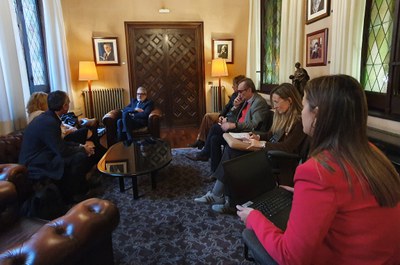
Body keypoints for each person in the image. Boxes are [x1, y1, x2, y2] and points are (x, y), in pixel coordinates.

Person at [237, 75, 400, 264]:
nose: (301, 112)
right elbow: (350, 199)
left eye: (304, 104)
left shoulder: (317, 172)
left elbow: (290, 257)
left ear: (317, 114)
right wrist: (305, 195)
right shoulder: (374, 154)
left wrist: (255, 218)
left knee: (251, 232)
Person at [194, 83, 306, 212]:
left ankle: (221, 197)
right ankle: (220, 196)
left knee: (233, 154)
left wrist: (262, 144)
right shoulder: (283, 115)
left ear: (289, 100)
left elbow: (287, 148)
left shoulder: (299, 121)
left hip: (279, 160)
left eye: (276, 102)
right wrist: (257, 136)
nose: (274, 106)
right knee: (231, 151)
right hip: (269, 152)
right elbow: (271, 134)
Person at [19, 90, 97, 204]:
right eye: (68, 102)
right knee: (79, 156)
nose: (69, 104)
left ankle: (82, 186)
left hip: (45, 154)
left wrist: (80, 145)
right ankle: (72, 195)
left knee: (79, 152)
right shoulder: (49, 122)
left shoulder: (49, 118)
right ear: (64, 106)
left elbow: (59, 144)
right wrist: (82, 148)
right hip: (36, 162)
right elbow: (61, 150)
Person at [186, 78, 271, 172]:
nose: (238, 94)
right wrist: (235, 107)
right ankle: (215, 172)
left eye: (240, 91)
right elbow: (235, 117)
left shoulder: (259, 102)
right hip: (239, 131)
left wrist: (234, 125)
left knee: (215, 128)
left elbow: (254, 124)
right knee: (214, 139)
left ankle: (205, 154)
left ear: (249, 90)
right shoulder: (246, 100)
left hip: (248, 134)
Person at [188, 75, 246, 149]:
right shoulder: (234, 95)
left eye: (233, 85)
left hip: (230, 119)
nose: (232, 87)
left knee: (212, 124)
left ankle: (205, 143)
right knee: (207, 116)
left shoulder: (242, 98)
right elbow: (226, 107)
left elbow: (237, 115)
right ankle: (201, 141)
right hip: (225, 116)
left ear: (238, 86)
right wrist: (221, 115)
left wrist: (226, 118)